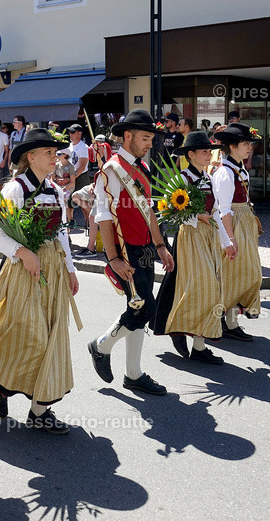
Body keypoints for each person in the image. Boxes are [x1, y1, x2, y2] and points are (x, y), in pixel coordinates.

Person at [0, 128, 79, 433]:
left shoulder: (55, 191)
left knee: (51, 336)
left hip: (52, 269)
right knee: (23, 334)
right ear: (31, 157)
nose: (55, 159)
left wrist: (70, 268)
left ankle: (39, 410)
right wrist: (22, 253)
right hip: (24, 270)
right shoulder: (14, 189)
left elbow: (61, 233)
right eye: (49, 154)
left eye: (56, 153)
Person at [87, 109, 175, 396]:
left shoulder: (141, 168)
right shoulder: (111, 170)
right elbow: (103, 217)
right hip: (126, 251)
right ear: (128, 136)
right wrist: (113, 259)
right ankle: (101, 346)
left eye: (151, 138)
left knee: (136, 308)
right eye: (146, 138)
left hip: (147, 248)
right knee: (144, 308)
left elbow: (149, 211)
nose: (150, 143)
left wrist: (161, 246)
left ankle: (133, 374)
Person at [151, 131, 233, 364]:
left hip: (208, 236)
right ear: (191, 154)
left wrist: (226, 242)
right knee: (201, 287)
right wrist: (197, 216)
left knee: (212, 289)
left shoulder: (208, 178)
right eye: (205, 151)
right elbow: (171, 211)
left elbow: (216, 212)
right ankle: (177, 328)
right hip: (190, 238)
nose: (209, 155)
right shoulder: (182, 179)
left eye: (210, 151)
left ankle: (199, 346)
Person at [212, 122, 264, 341]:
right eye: (245, 143)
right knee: (234, 275)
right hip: (232, 225)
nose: (249, 147)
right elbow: (223, 210)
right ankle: (226, 322)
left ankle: (231, 321)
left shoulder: (238, 168)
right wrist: (229, 239)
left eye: (249, 143)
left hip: (243, 223)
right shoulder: (225, 173)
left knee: (245, 274)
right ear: (232, 146)